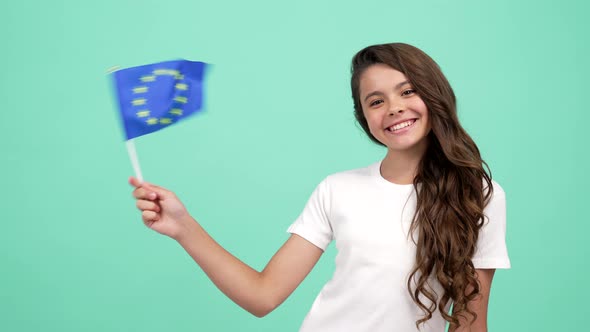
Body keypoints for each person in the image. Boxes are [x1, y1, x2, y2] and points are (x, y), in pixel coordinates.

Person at [129, 43, 510, 332]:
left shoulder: (479, 195)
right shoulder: (337, 189)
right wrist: (183, 227)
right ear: (365, 119)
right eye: (376, 101)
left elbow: (471, 323)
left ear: (434, 94)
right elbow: (263, 296)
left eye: (407, 91)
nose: (393, 107)